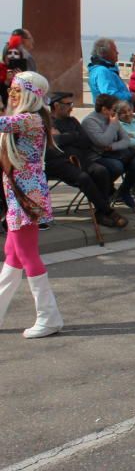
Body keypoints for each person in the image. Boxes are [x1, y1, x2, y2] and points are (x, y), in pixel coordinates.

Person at [0, 72, 63, 338]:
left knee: (27, 256)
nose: (11, 94)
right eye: (10, 89)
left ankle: (49, 317)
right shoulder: (31, 119)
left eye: (16, 90)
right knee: (13, 255)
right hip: (22, 196)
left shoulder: (30, 119)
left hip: (26, 198)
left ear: (29, 94)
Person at [46, 92, 127, 228]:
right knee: (83, 178)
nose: (71, 108)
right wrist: (73, 136)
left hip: (81, 159)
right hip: (59, 162)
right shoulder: (48, 121)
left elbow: (85, 141)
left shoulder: (72, 121)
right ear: (56, 105)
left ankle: (100, 213)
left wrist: (66, 137)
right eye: (68, 104)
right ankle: (107, 210)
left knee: (101, 171)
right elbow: (54, 143)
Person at [82, 93, 135, 210]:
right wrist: (112, 126)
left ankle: (124, 191)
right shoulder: (90, 121)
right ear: (104, 109)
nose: (116, 112)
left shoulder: (112, 119)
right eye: (113, 109)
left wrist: (113, 147)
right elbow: (103, 142)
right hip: (97, 156)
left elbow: (126, 140)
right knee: (116, 166)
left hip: (114, 153)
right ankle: (105, 189)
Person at [88, 38, 135, 104]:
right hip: (109, 112)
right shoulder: (102, 71)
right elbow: (109, 95)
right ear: (104, 53)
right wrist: (130, 96)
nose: (118, 53)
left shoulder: (107, 68)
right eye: (114, 50)